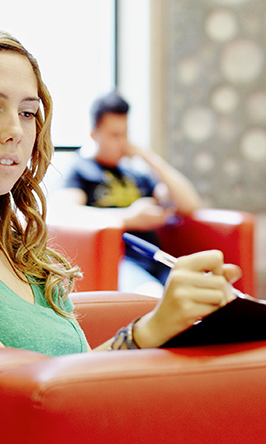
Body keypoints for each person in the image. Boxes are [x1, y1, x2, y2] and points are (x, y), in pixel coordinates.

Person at [0, 30, 240, 355]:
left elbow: (74, 380)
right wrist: (149, 331)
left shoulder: (23, 254)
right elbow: (18, 395)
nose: (15, 131)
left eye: (28, 113)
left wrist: (168, 328)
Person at [50, 92, 202, 295]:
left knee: (203, 294)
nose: (122, 142)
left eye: (125, 134)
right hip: (119, 262)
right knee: (153, 294)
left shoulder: (137, 174)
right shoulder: (81, 170)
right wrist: (130, 218)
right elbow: (64, 213)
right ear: (94, 135)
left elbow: (190, 204)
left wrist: (150, 158)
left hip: (154, 257)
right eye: (114, 135)